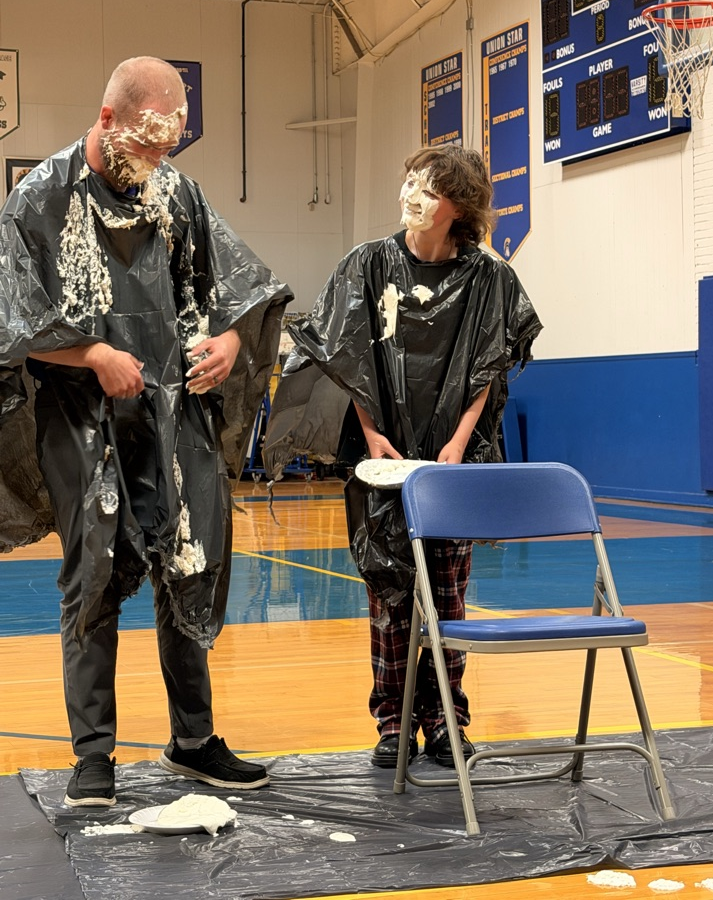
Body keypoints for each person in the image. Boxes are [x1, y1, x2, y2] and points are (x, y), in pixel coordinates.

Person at [0, 56, 293, 805]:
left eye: (170, 147)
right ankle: (93, 755)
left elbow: (236, 288)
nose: (158, 161)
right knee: (93, 572)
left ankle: (193, 739)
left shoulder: (175, 191)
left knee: (187, 559)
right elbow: (13, 321)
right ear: (107, 121)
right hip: (80, 415)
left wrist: (228, 344)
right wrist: (93, 354)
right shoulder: (39, 198)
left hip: (172, 408)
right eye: (148, 144)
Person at [263, 145, 541, 768]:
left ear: (459, 207)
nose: (414, 193)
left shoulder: (489, 278)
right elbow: (349, 355)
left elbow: (487, 369)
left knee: (448, 598)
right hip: (383, 459)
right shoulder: (367, 266)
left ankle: (445, 719)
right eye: (410, 179)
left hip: (452, 464)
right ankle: (393, 724)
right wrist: (370, 433)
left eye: (431, 187)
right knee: (389, 595)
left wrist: (458, 445)